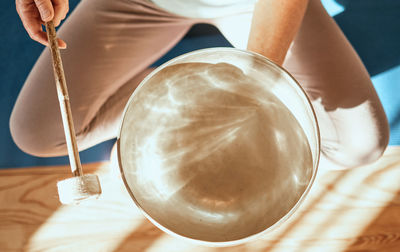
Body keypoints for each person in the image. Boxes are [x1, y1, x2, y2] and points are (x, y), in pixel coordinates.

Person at [11, 0, 389, 170]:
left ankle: (200, 84)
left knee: (359, 146)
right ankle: (169, 92)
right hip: (138, 3)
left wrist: (257, 75)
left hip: (255, 5)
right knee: (38, 134)